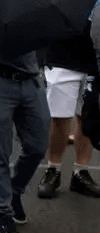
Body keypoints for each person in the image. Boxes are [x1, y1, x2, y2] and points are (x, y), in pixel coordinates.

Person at [0, 44, 51, 233]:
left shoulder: (34, 14)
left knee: (38, 145)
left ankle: (14, 191)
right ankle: (3, 212)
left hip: (31, 80)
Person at [36, 35, 99, 198]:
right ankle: (53, 169)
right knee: (59, 118)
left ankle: (81, 171)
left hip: (94, 58)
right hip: (62, 57)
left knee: (88, 116)